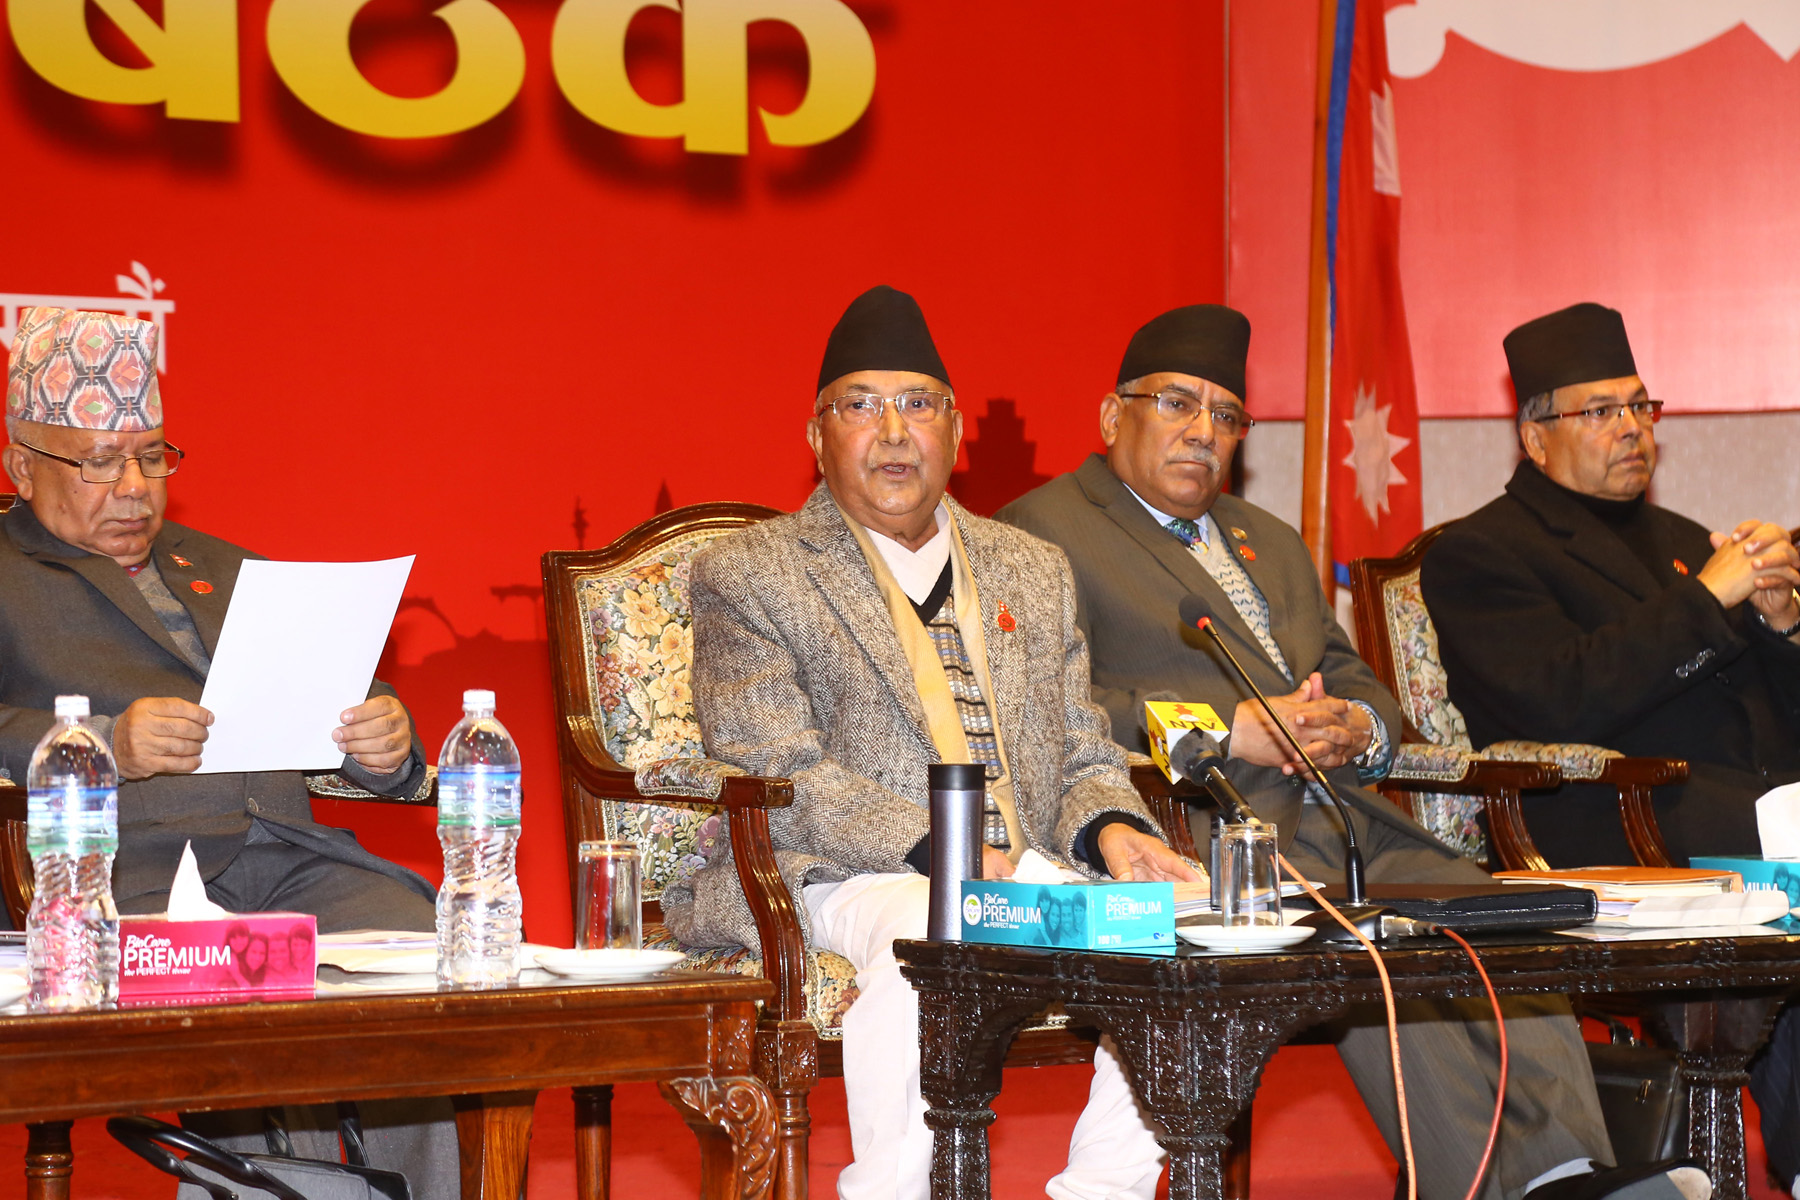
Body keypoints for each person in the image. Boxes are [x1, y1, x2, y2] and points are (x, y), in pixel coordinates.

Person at [997, 303, 1706, 1200]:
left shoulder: (1267, 539)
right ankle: (1506, 1187)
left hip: (1343, 814)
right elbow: (1046, 708)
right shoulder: (1040, 533)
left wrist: (1358, 727)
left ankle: (1575, 1172)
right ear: (1111, 415)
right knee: (1372, 950)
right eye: (1178, 404)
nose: (1203, 431)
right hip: (1209, 831)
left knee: (1498, 920)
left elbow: (1357, 681)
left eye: (1226, 415)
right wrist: (1221, 730)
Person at [663, 285, 1200, 1200]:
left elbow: (1082, 747)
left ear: (954, 430)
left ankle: (1100, 1192)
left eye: (917, 404)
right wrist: (941, 852)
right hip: (841, 874)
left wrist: (1116, 832)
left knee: (1181, 934)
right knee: (930, 928)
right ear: (816, 436)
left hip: (1025, 871)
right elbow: (777, 767)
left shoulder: (1031, 567)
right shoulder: (751, 573)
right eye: (860, 406)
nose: (893, 432)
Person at [1, 306, 456, 1193]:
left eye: (152, 457)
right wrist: (103, 743)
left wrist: (383, 741)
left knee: (427, 964)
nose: (134, 488)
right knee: (249, 1001)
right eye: (100, 462)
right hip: (122, 878)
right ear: (22, 465)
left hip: (292, 858)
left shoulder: (227, 565)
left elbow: (340, 696)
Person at [1418, 300, 1800, 1191]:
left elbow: (1773, 720)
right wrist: (1707, 602)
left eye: (1639, 405)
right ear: (1535, 435)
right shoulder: (1481, 554)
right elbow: (1557, 698)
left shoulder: (1683, 542)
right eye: (1601, 410)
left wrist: (1781, 625)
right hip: (1612, 825)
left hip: (1747, 816)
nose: (1632, 428)